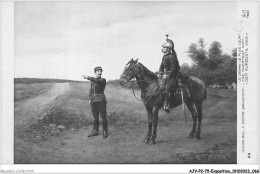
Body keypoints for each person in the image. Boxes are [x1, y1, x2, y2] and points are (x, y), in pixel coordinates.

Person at [82, 66, 108, 139]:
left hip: (101, 101)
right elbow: (91, 91)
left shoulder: (103, 80)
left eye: (100, 71)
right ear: (95, 72)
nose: (100, 72)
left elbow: (97, 81)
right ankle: (95, 131)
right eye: (98, 71)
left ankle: (105, 132)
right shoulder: (93, 81)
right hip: (93, 101)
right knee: (95, 117)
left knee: (103, 117)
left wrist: (88, 77)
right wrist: (90, 98)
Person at [159, 35, 180, 113]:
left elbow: (174, 69)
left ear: (168, 49)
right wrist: (160, 73)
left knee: (167, 88)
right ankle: (160, 103)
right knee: (159, 87)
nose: (162, 48)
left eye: (164, 47)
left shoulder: (172, 57)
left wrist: (169, 75)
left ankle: (167, 106)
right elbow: (161, 66)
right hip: (165, 75)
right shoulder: (164, 57)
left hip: (173, 76)